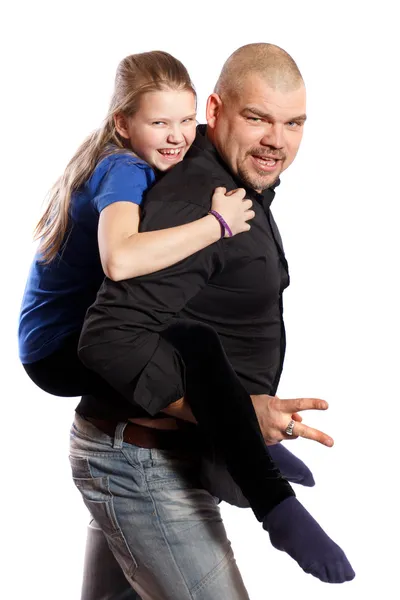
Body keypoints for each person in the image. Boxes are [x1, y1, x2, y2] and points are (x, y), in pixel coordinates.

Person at [18, 50, 314, 600]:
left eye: (293, 123)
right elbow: (120, 263)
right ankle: (266, 483)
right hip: (57, 352)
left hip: (106, 411)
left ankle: (243, 438)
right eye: (258, 118)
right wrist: (216, 225)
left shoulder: (188, 162)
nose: (177, 137)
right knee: (193, 344)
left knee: (187, 340)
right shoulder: (130, 171)